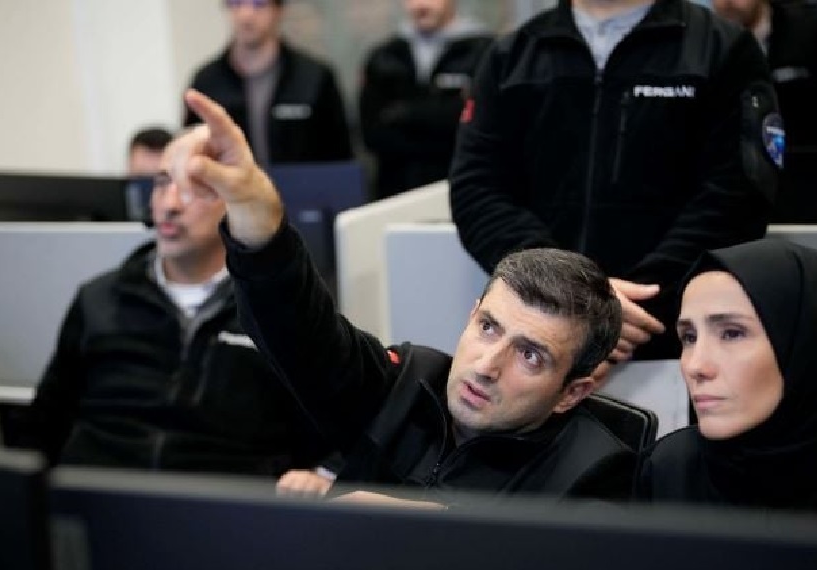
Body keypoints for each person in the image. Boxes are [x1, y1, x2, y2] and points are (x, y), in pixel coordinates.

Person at [169, 89, 638, 508]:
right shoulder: (408, 385)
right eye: (488, 327)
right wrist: (254, 210)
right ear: (472, 315)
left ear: (572, 393)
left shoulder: (597, 473)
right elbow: (300, 330)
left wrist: (430, 529)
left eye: (531, 355)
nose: (486, 365)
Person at [449, 0, 782, 371]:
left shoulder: (721, 49)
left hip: (673, 336)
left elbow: (738, 194)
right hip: (538, 334)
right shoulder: (511, 57)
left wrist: (625, 311)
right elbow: (477, 190)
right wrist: (568, 293)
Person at [12, 130, 329, 478]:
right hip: (101, 494)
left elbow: (337, 435)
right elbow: (42, 427)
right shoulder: (99, 299)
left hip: (224, 502)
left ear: (237, 202)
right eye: (162, 184)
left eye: (196, 188)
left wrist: (321, 477)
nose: (170, 204)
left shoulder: (280, 310)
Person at [638, 238, 817, 513]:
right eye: (689, 337)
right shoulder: (667, 472)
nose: (695, 366)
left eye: (732, 333)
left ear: (810, 346)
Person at [712, 0, 817, 222]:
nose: (727, 2)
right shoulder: (701, 47)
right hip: (727, 198)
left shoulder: (812, 33)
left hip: (806, 193)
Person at [182, 0, 352, 166]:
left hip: (305, 184)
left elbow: (341, 159)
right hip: (229, 184)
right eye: (236, 3)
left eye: (259, 4)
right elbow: (193, 154)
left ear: (279, 10)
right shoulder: (207, 83)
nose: (246, 15)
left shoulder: (314, 78)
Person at [359, 0, 494, 199]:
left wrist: (406, 114)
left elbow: (484, 126)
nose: (421, 5)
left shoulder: (484, 52)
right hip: (397, 192)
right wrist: (442, 116)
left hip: (466, 189)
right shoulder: (384, 57)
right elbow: (373, 134)